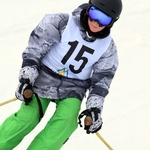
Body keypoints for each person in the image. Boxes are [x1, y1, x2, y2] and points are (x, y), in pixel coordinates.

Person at [0, 0, 122, 149]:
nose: (96, 22)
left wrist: (94, 109)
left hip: (74, 88)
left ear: (112, 22)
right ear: (88, 8)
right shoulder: (62, 22)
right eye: (94, 14)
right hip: (44, 77)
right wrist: (27, 77)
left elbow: (101, 81)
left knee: (66, 121)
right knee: (28, 117)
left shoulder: (108, 49)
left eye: (104, 19)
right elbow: (35, 49)